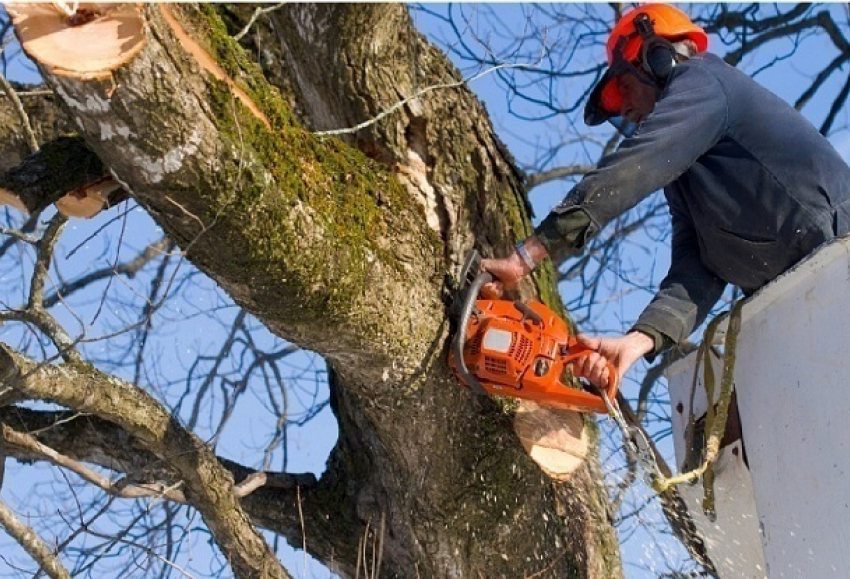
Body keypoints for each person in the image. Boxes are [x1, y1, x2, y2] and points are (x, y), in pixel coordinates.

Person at [482, 4, 850, 388]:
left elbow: (634, 166)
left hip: (838, 257)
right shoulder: (687, 176)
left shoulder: (706, 81)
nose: (624, 107)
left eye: (624, 87)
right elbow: (697, 269)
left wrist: (526, 256)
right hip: (800, 300)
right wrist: (637, 341)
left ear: (656, 57)